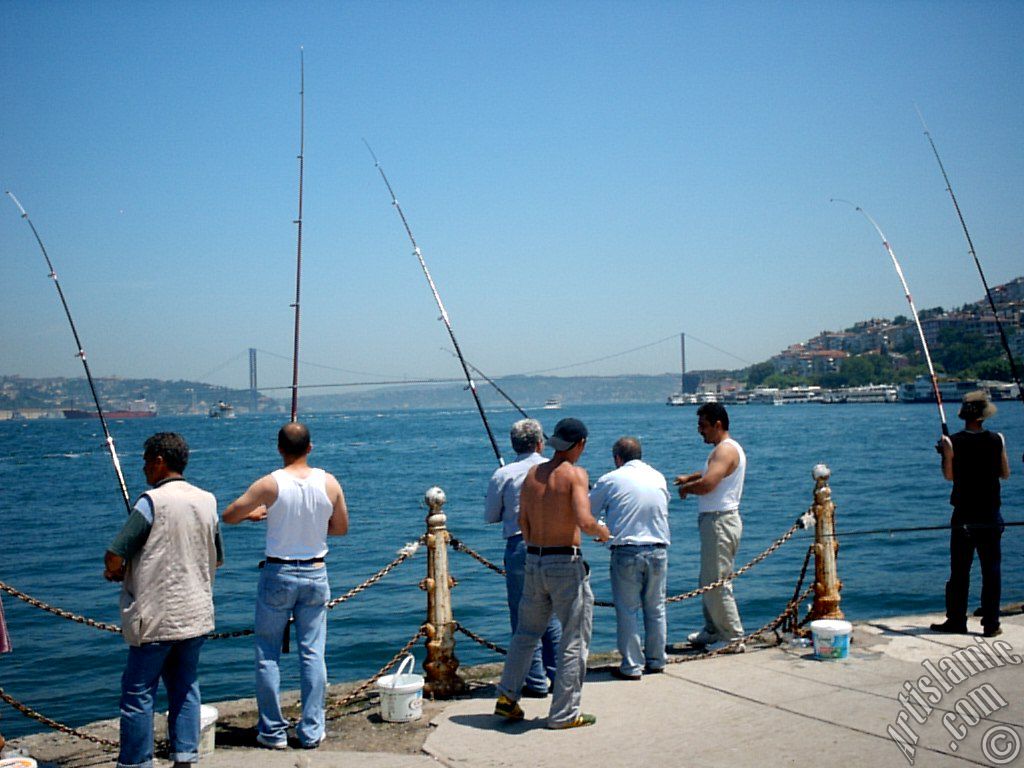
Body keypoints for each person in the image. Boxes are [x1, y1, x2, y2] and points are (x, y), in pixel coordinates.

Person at [223, 422, 349, 750]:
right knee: (313, 653)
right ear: (310, 448)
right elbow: (340, 528)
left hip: (278, 574)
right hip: (315, 573)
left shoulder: (270, 484)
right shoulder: (330, 482)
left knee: (267, 653)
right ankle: (311, 730)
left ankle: (272, 732)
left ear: (279, 448)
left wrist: (255, 515)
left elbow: (229, 515)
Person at [103, 433, 223, 768]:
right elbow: (218, 557)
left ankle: (135, 762)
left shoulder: (150, 502)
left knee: (138, 693)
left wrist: (116, 571)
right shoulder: (208, 500)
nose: (143, 467)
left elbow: (115, 554)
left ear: (159, 461)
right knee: (185, 688)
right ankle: (185, 757)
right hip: (196, 613)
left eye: (146, 460)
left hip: (156, 616)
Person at [494, 418, 611, 729]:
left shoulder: (533, 474)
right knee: (574, 638)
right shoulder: (575, 475)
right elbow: (585, 520)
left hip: (534, 560)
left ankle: (507, 697)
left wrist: (537, 549)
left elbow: (523, 521)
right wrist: (602, 532)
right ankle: (564, 714)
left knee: (526, 633)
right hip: (565, 564)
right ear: (580, 444)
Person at [484, 418, 561, 698]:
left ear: (513, 444)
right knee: (551, 615)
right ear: (540, 442)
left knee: (523, 616)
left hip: (519, 547)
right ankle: (559, 676)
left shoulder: (504, 474)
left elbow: (491, 515)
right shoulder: (557, 470)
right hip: (555, 546)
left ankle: (535, 681)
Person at [931, 391, 1011, 638]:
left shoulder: (952, 441)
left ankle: (956, 619)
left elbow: (949, 476)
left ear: (965, 416)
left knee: (960, 570)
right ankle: (991, 623)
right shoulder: (997, 439)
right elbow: (1005, 473)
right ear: (985, 416)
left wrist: (947, 454)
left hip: (964, 515)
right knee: (992, 569)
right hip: (990, 512)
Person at [590, 436, 671, 679]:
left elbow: (588, 512)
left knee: (627, 611)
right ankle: (657, 660)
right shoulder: (658, 476)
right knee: (656, 609)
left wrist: (603, 528)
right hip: (658, 549)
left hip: (626, 551)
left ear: (617, 458)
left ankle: (632, 666)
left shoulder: (610, 479)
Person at [674, 402, 746, 653]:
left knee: (717, 581)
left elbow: (710, 484)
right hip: (715, 520)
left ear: (718, 424)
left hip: (719, 521)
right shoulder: (722, 451)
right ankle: (713, 629)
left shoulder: (725, 451)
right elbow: (710, 473)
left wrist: (687, 489)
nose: (699, 431)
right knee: (708, 578)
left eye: (703, 426)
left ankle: (733, 637)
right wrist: (691, 477)